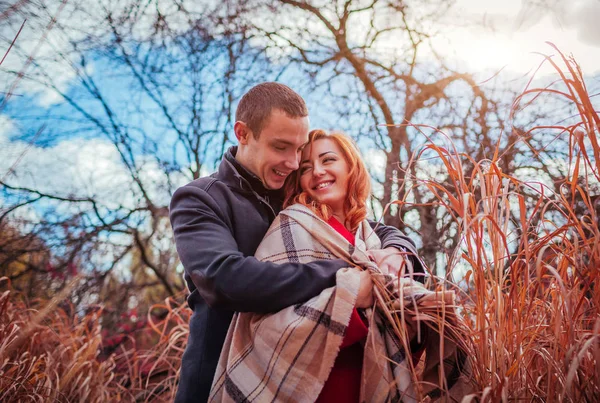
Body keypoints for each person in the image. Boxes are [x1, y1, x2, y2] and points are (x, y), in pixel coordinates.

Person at [169, 83, 423, 403]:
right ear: (243, 133)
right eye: (280, 147)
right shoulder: (201, 198)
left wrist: (397, 250)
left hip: (309, 377)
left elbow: (362, 232)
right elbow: (224, 279)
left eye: (298, 149)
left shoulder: (296, 197)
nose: (292, 162)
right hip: (222, 380)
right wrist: (344, 277)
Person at [209, 130, 469, 402]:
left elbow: (398, 327)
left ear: (351, 167)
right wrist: (352, 304)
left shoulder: (369, 235)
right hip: (316, 388)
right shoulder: (290, 225)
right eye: (306, 168)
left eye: (328, 160)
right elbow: (264, 326)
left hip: (373, 382)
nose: (317, 172)